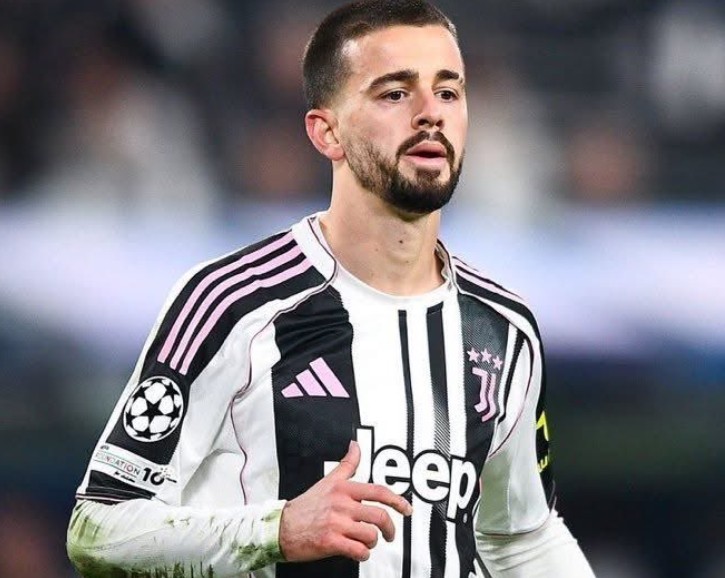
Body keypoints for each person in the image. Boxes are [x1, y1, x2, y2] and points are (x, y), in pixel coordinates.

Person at [66, 1, 597, 576]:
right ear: (327, 133)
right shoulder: (231, 303)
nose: (430, 114)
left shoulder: (503, 329)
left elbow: (521, 538)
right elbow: (97, 528)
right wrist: (277, 530)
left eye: (448, 92)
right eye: (395, 93)